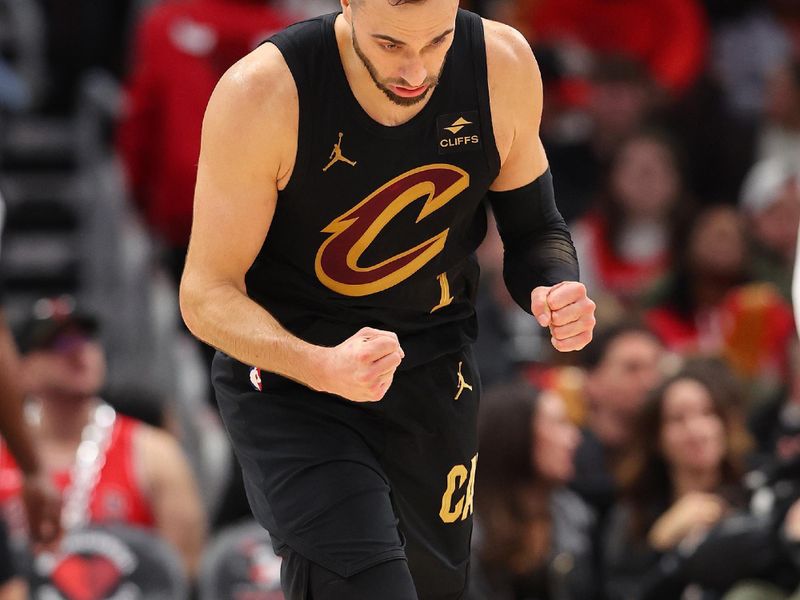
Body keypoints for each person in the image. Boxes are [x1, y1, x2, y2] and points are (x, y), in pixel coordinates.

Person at [179, 0, 597, 598]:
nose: (417, 72)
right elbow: (205, 294)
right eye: (391, 45)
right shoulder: (265, 92)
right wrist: (319, 366)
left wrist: (555, 287)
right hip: (297, 378)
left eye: (436, 42)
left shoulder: (499, 63)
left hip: (434, 368)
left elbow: (537, 230)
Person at [0, 297, 207, 578]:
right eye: (58, 344)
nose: (78, 352)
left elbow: (182, 575)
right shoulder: (8, 454)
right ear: (19, 369)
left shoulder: (152, 452)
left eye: (86, 338)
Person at [468, 382, 597, 600]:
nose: (574, 438)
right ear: (515, 433)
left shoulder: (575, 516)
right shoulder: (467, 530)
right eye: (559, 423)